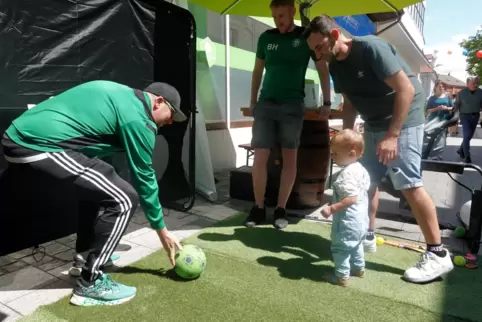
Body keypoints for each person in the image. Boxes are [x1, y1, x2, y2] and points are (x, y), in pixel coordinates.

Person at [1, 80, 185, 306]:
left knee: (100, 189)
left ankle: (84, 256)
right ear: (158, 102)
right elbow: (144, 177)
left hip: (21, 137)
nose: (169, 122)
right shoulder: (139, 118)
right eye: (171, 115)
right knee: (125, 198)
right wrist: (162, 231)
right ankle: (90, 283)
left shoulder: (120, 96)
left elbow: (93, 144)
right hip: (35, 144)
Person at [304, 15, 454, 283]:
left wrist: (393, 135)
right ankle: (367, 234)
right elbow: (349, 101)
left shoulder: (371, 48)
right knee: (366, 180)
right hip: (373, 123)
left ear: (335, 35)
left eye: (320, 46)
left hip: (403, 119)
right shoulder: (335, 66)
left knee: (408, 183)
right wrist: (346, 137)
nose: (318, 54)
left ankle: (438, 254)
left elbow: (406, 90)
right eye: (313, 50)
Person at [245, 0, 331, 230]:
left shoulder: (306, 38)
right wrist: (253, 101)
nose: (278, 22)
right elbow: (257, 72)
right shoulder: (266, 38)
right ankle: (259, 207)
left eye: (282, 16)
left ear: (292, 11)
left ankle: (281, 209)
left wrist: (328, 102)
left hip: (293, 106)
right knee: (260, 157)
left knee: (289, 159)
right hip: (266, 104)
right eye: (275, 17)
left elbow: (323, 69)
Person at [320, 129, 370, 287]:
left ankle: (341, 276)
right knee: (356, 244)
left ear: (351, 153)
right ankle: (359, 268)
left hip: (347, 221)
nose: (332, 156)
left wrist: (332, 208)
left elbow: (351, 199)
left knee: (340, 247)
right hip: (361, 219)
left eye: (335, 153)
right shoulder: (360, 169)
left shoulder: (346, 175)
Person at [455, 76, 482, 163]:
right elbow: (457, 105)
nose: (475, 85)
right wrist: (453, 116)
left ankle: (460, 150)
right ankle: (467, 155)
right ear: (467, 84)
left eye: (476, 83)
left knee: (469, 136)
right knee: (466, 136)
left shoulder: (480, 92)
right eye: (473, 83)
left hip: (476, 116)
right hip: (465, 116)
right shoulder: (461, 93)